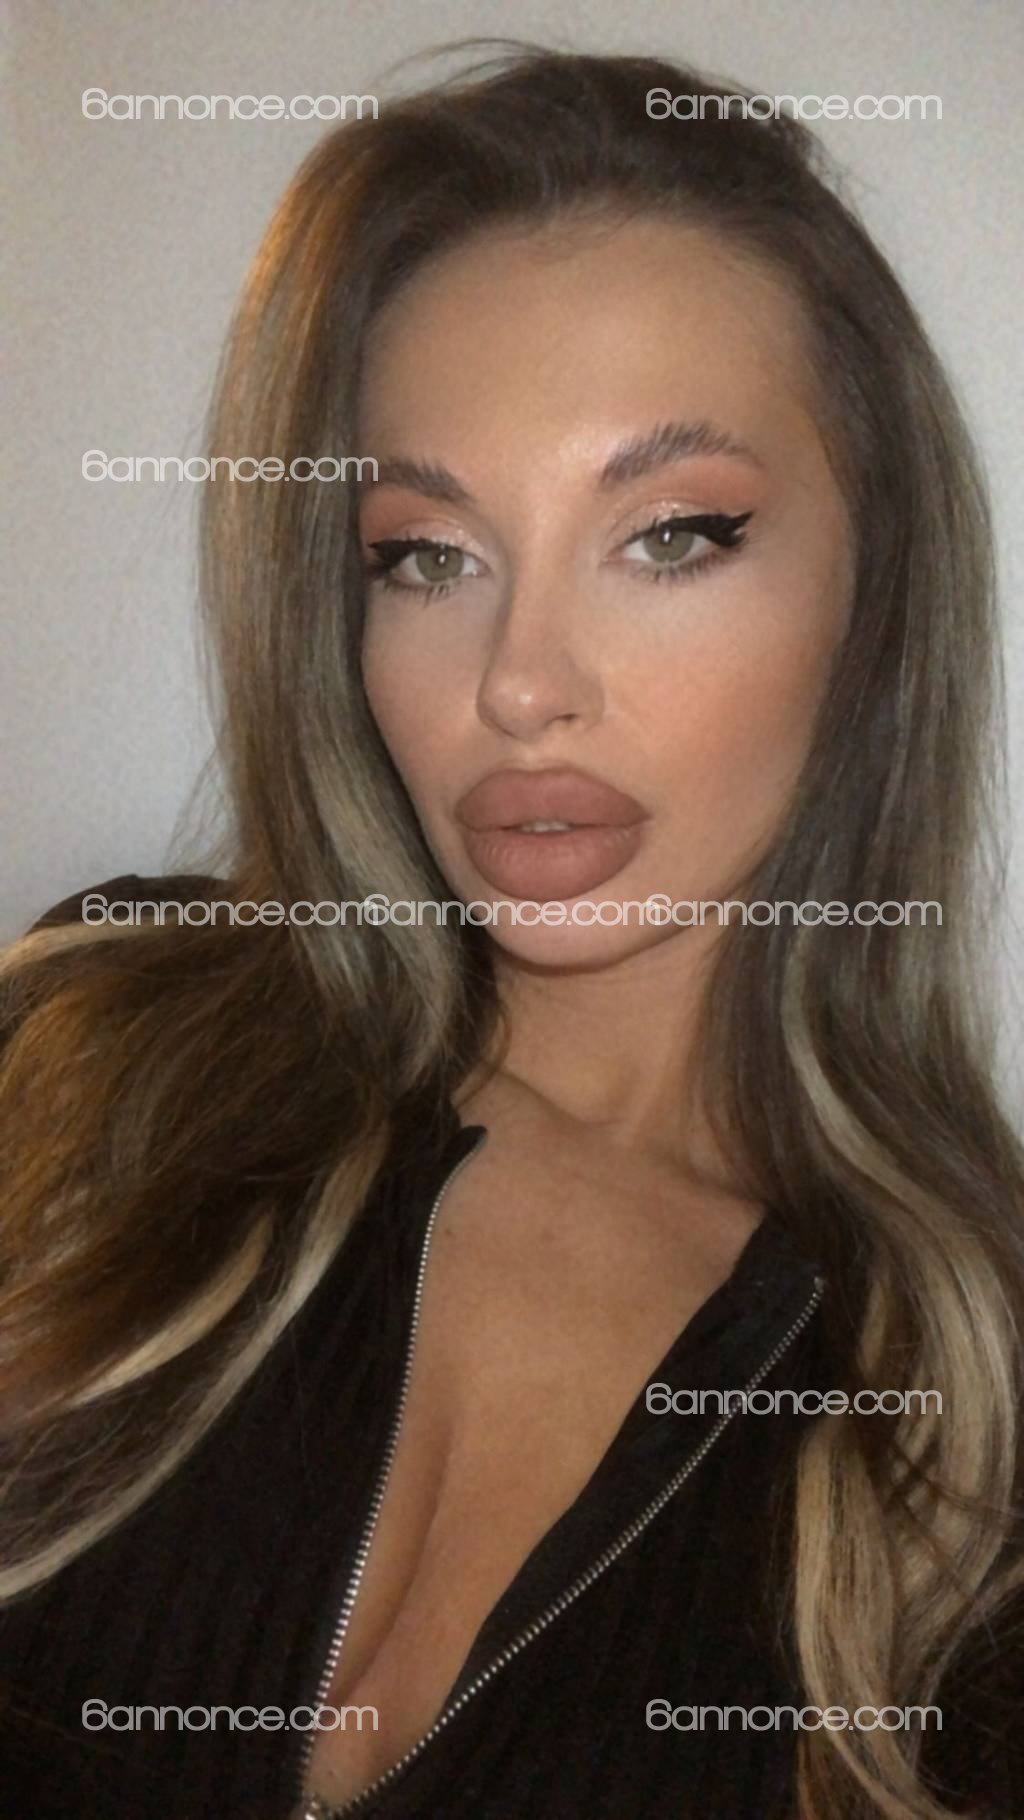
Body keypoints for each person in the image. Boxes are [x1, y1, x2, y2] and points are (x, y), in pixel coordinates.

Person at [2, 43, 1022, 1820]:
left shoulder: (965, 1417)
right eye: (427, 554)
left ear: (879, 588)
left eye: (672, 535)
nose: (522, 684)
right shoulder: (97, 1057)